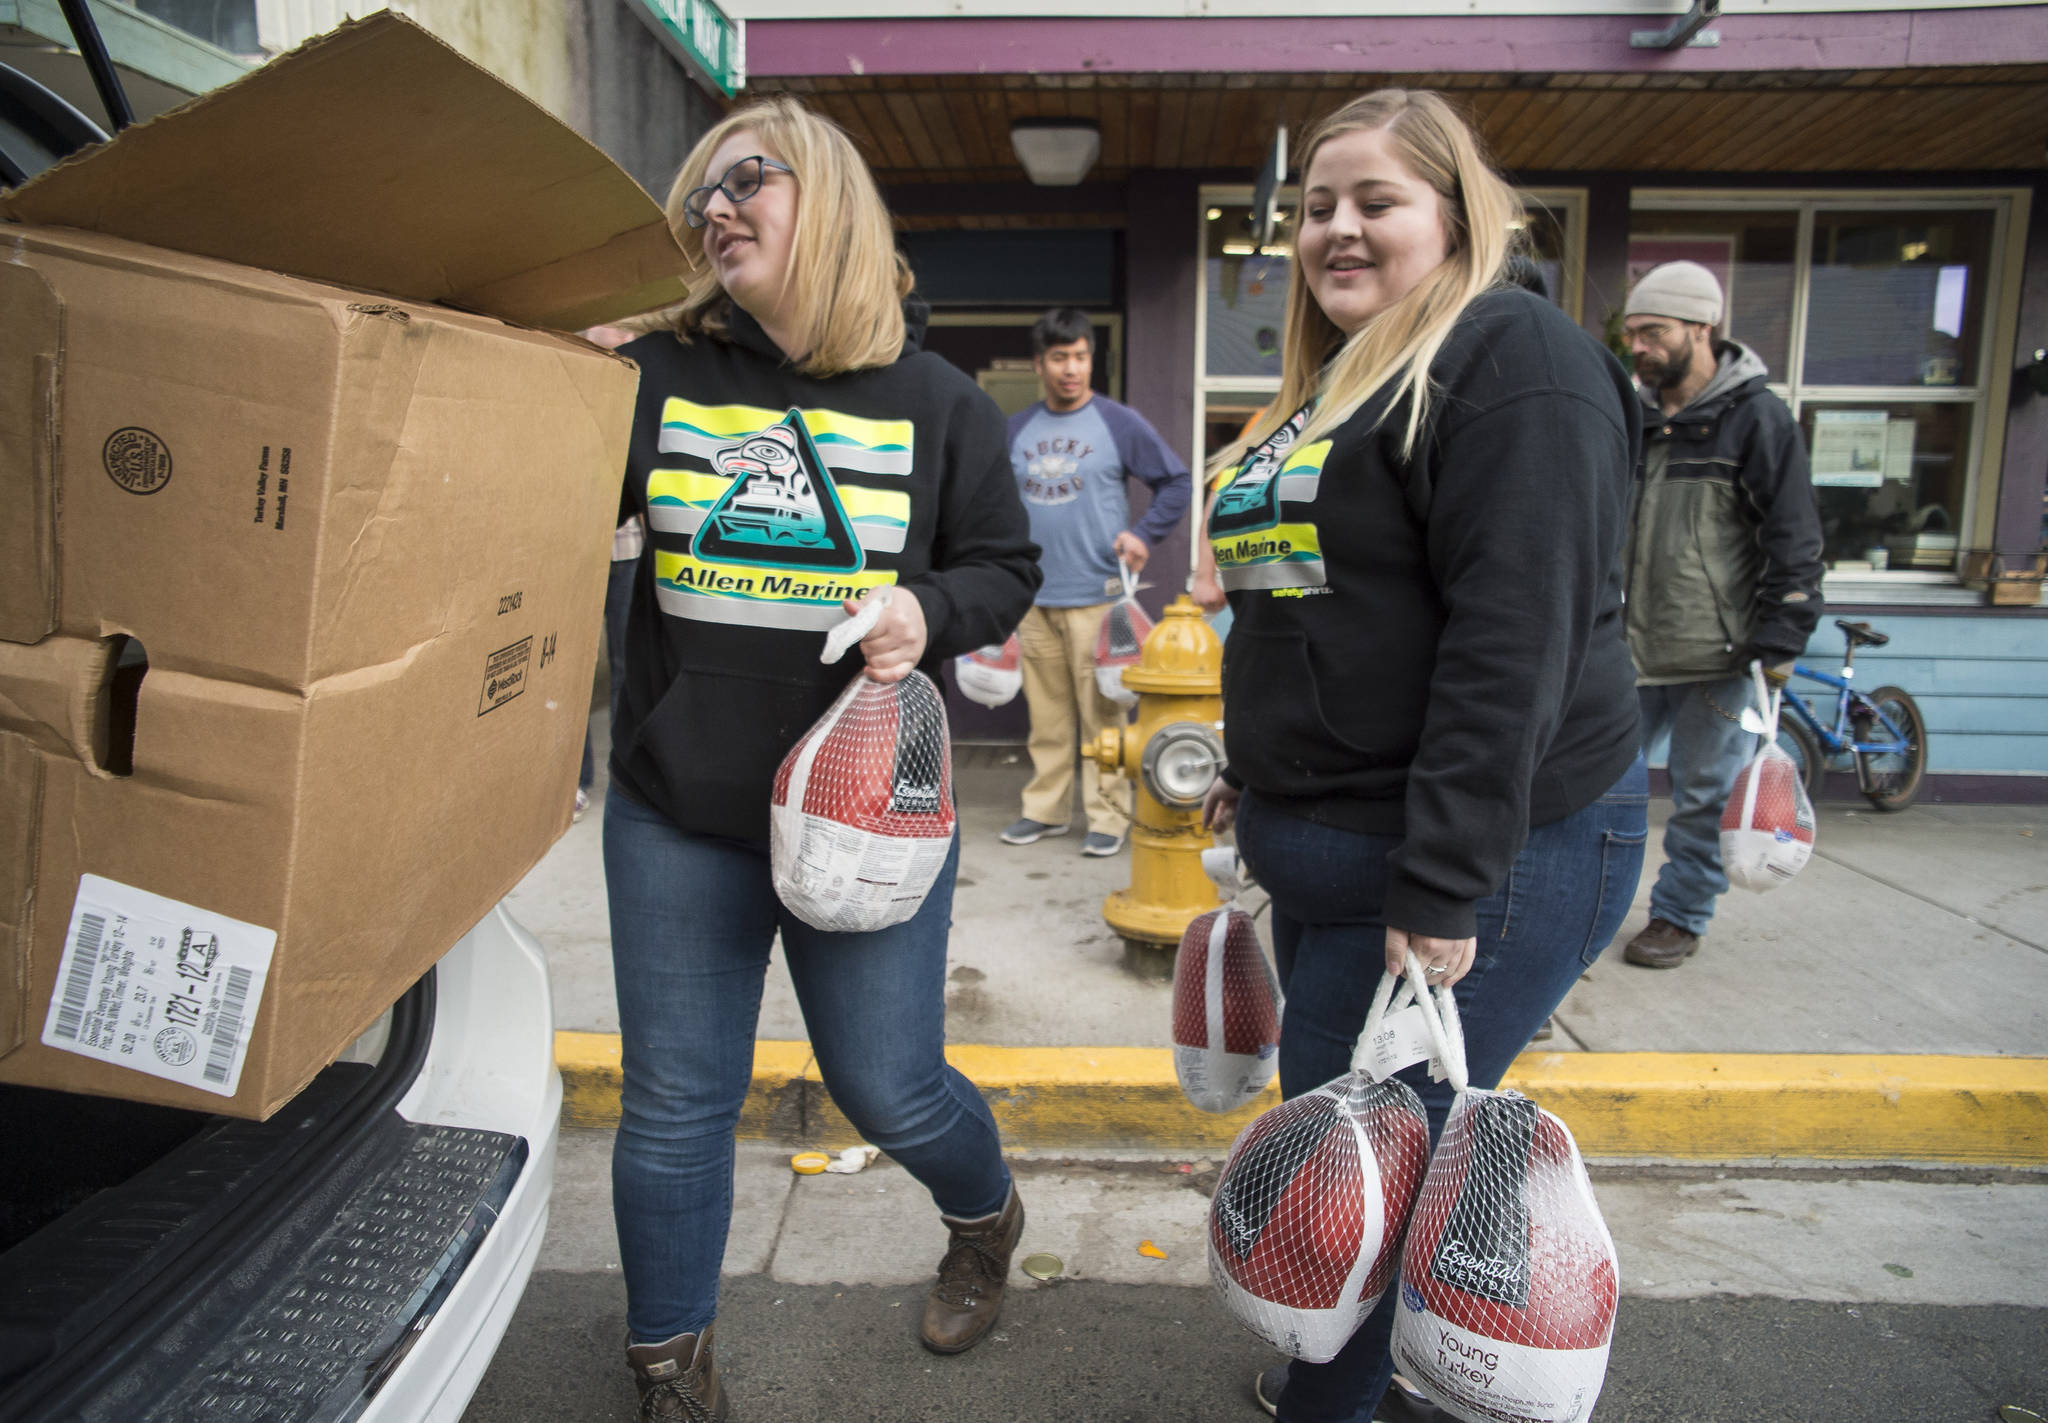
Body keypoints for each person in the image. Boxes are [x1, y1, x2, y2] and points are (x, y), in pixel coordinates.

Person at [1196, 90, 1647, 1423]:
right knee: (1358, 1170)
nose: (1336, 227)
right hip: (1349, 846)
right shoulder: (1343, 377)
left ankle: (1326, 1403)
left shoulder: (1515, 361)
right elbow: (1316, 607)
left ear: (1457, 217)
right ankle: (1345, 1376)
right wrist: (1254, 758)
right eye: (1315, 205)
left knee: (1356, 1206)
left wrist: (1445, 882)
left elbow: (1514, 643)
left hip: (1479, 856)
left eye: (1375, 200)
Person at [604, 97, 1041, 1420]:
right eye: (701, 193)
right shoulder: (650, 378)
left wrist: (931, 610)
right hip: (679, 807)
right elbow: (539, 513)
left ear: (833, 202)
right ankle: (669, 1362)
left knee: (889, 1084)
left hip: (868, 814)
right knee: (677, 1102)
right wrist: (542, 381)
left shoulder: (940, 401)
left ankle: (985, 1215)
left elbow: (1003, 568)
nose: (715, 207)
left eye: (748, 179)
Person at [1618, 261, 1824, 970]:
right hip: (1624, 650)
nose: (1639, 347)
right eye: (1632, 333)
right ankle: (1585, 912)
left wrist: (1783, 633)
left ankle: (1679, 914)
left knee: (1704, 795)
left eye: (1654, 332)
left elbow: (1793, 537)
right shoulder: (1633, 417)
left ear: (1701, 328)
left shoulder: (1758, 420)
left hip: (1719, 653)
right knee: (1595, 792)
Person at [1001, 307, 1191, 857]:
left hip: (1099, 597)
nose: (1071, 368)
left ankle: (1108, 816)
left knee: (1104, 714)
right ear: (1040, 364)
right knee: (1047, 718)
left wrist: (1145, 534)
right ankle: (1045, 809)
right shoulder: (1017, 430)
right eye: (1059, 357)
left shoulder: (1118, 423)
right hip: (1033, 597)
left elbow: (1175, 482)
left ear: (1090, 360)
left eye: (1080, 357)